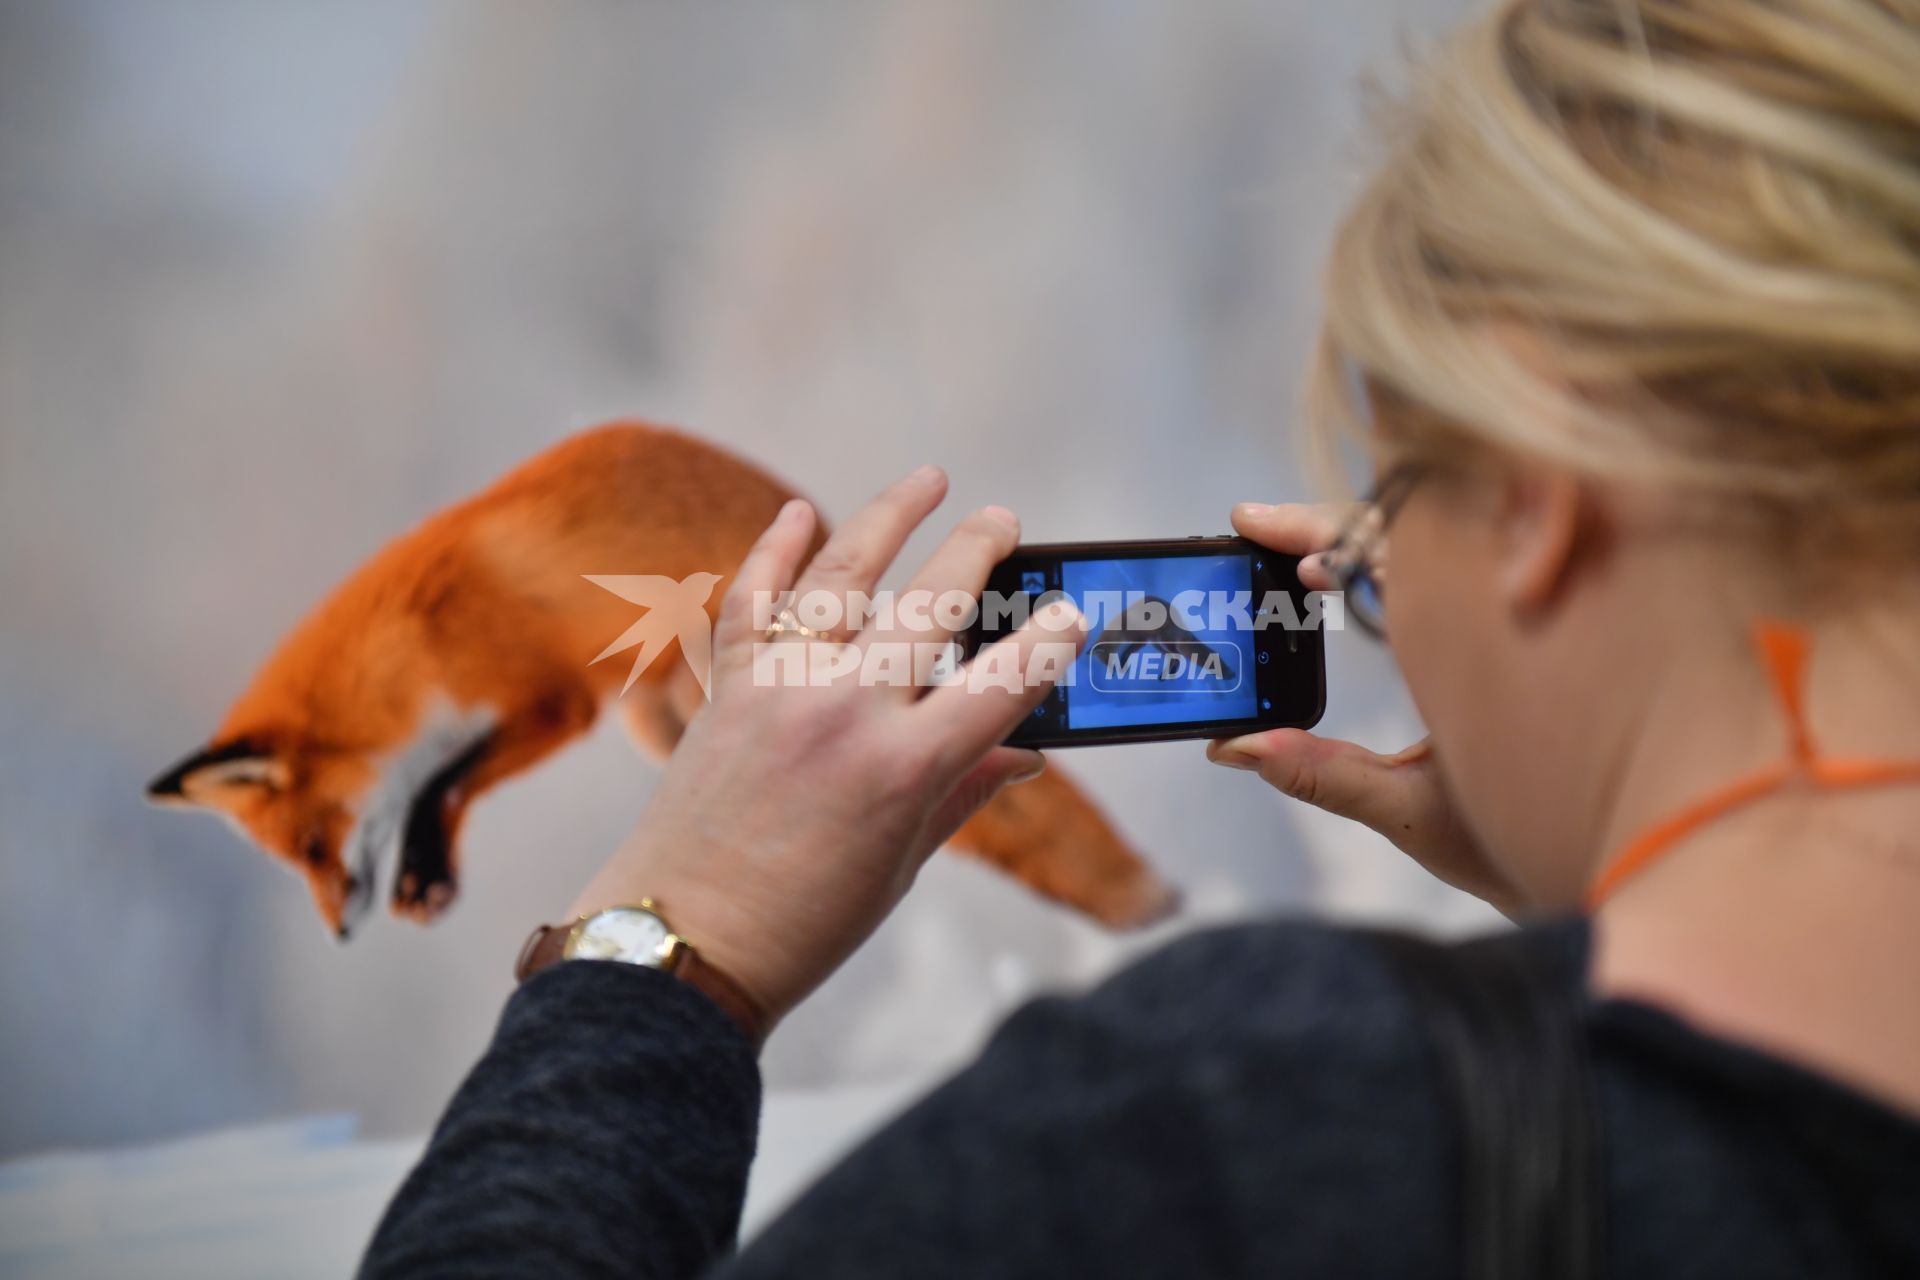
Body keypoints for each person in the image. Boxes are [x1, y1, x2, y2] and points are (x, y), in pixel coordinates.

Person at [359, 0, 1920, 1274]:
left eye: (1387, 524)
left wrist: (667, 941)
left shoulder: (1233, 1127)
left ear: (1538, 492)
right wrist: (1621, 858)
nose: (1384, 606)